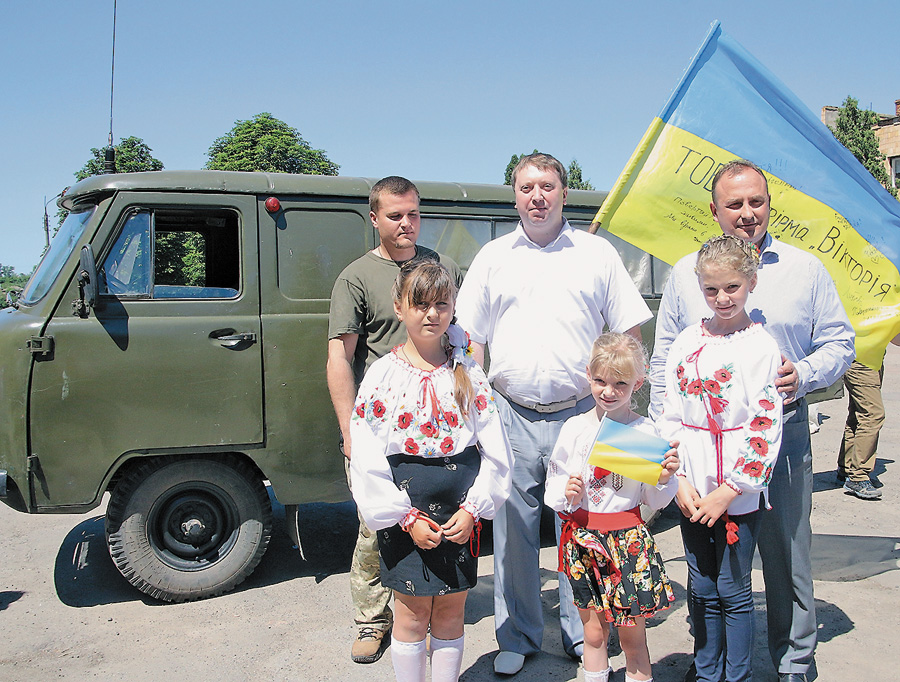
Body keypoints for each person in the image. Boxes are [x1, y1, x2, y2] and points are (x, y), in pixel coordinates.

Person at [649, 160, 855, 682]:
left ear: (769, 204)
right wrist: (665, 452)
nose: (747, 213)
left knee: (786, 549)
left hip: (777, 435)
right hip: (698, 447)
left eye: (756, 202)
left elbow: (841, 342)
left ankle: (793, 661)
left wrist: (802, 373)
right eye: (734, 204)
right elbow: (664, 359)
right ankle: (708, 659)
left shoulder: (804, 269)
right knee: (708, 566)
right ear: (714, 210)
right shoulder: (684, 274)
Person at [456, 152, 653, 675]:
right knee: (513, 529)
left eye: (547, 185)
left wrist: (629, 413)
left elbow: (629, 333)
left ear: (564, 192)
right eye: (526, 187)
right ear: (514, 195)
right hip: (509, 412)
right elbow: (472, 339)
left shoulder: (597, 254)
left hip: (587, 414)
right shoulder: (493, 257)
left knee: (584, 525)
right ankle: (517, 637)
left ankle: (581, 634)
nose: (536, 196)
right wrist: (477, 411)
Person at [349, 259, 513, 682]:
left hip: (459, 511)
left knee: (451, 609)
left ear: (453, 307)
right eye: (420, 304)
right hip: (407, 509)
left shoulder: (468, 372)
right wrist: (404, 517)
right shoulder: (382, 375)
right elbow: (366, 458)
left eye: (441, 304)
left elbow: (495, 450)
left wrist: (474, 509)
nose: (431, 313)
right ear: (399, 308)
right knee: (411, 612)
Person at [326, 176, 462, 664]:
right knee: (376, 526)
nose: (406, 224)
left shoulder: (440, 267)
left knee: (441, 517)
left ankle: (431, 607)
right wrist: (349, 433)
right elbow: (340, 359)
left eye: (414, 214)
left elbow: (459, 337)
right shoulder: (357, 278)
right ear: (374, 219)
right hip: (382, 425)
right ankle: (371, 621)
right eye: (395, 215)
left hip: (439, 428)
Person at [659, 235, 783, 682]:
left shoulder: (760, 346)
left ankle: (738, 675)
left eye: (731, 287)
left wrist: (730, 491)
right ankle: (707, 670)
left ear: (750, 281)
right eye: (711, 290)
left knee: (733, 588)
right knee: (703, 586)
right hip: (691, 486)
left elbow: (766, 425)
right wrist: (681, 482)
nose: (722, 298)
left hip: (736, 490)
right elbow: (670, 413)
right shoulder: (687, 341)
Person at [545, 333, 680, 682]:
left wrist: (664, 477)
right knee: (593, 633)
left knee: (632, 636)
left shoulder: (644, 432)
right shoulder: (575, 429)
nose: (608, 391)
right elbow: (555, 483)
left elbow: (653, 498)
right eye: (601, 380)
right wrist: (567, 493)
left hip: (627, 542)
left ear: (639, 382)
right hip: (583, 539)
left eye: (620, 383)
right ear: (588, 375)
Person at [837, 358, 885, 500]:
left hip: (870, 361)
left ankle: (847, 469)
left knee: (858, 416)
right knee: (873, 415)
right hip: (861, 363)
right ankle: (858, 477)